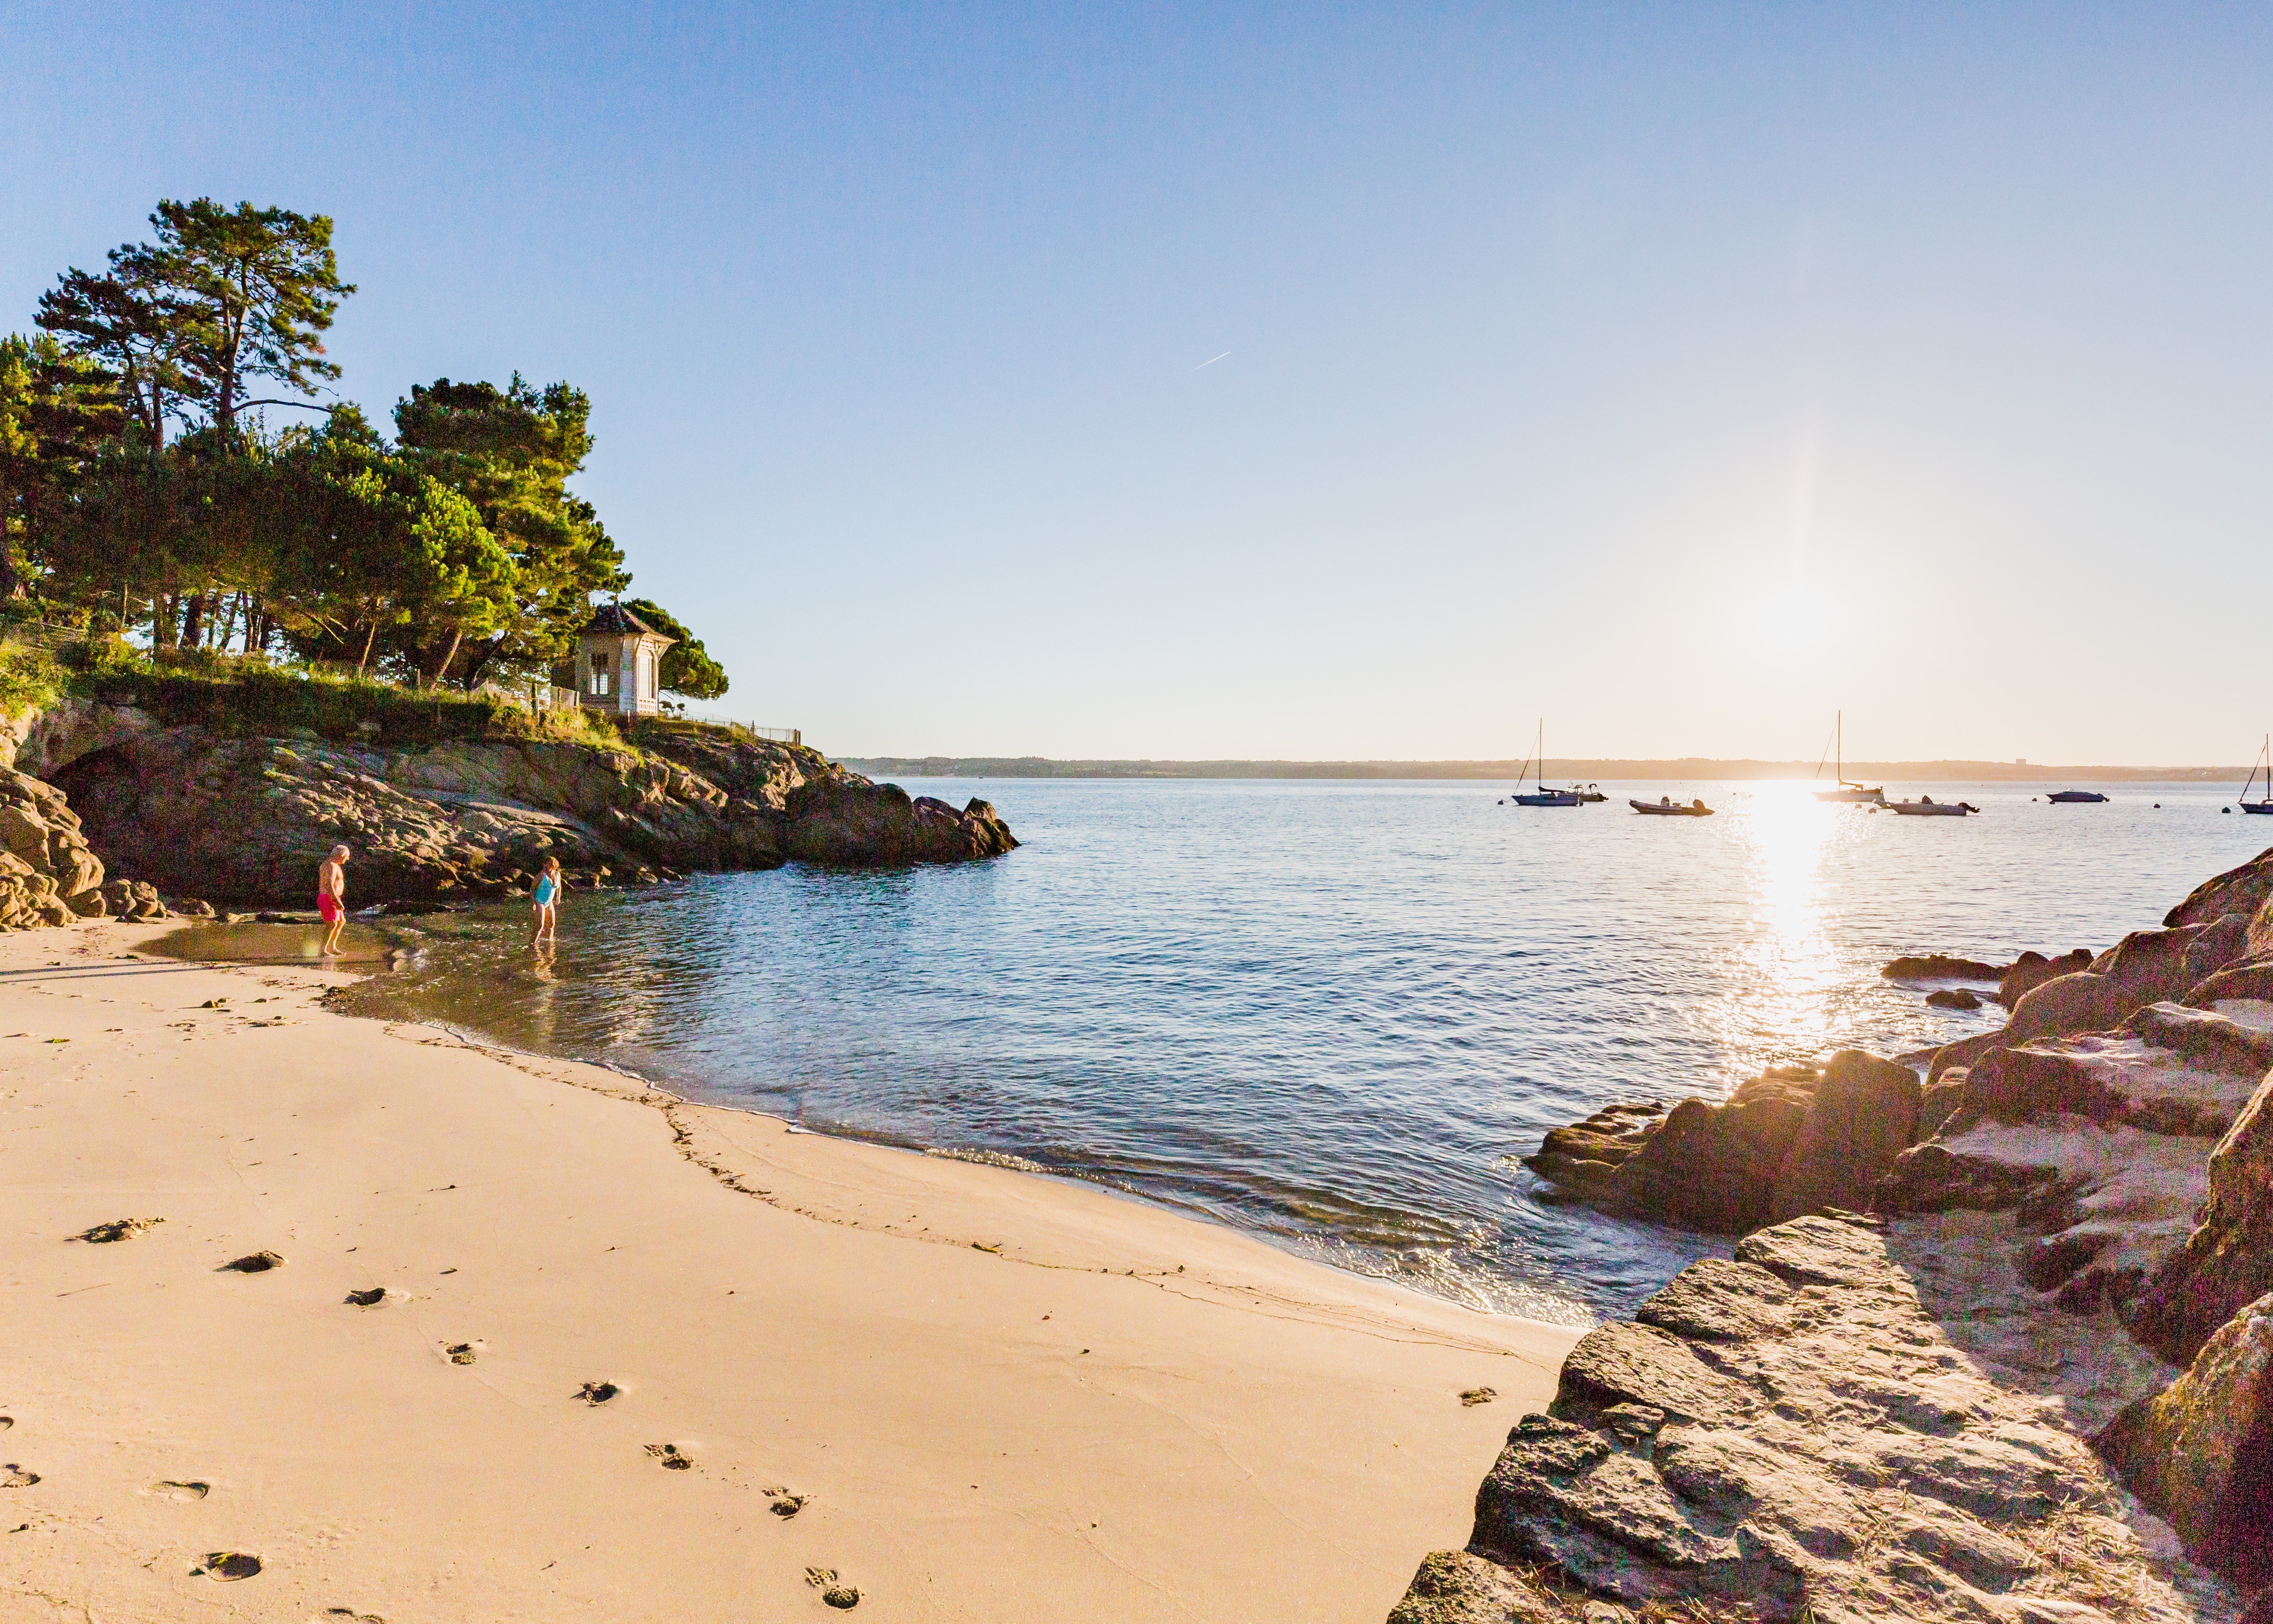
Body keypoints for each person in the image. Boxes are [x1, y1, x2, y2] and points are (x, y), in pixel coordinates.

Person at [317, 844, 350, 954]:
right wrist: (337, 901)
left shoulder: (334, 865)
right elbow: (328, 885)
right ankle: (323, 950)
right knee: (332, 924)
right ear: (342, 855)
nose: (348, 859)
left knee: (341, 922)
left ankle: (333, 947)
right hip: (329, 897)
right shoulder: (331, 866)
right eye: (347, 856)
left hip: (333, 897)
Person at [531, 856, 562, 948]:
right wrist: (533, 902)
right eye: (546, 864)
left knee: (552, 924)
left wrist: (558, 897)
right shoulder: (541, 875)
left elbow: (559, 886)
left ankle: (549, 945)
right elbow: (532, 889)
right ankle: (533, 945)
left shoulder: (558, 875)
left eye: (549, 864)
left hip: (549, 903)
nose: (547, 866)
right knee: (540, 926)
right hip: (539, 902)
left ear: (554, 865)